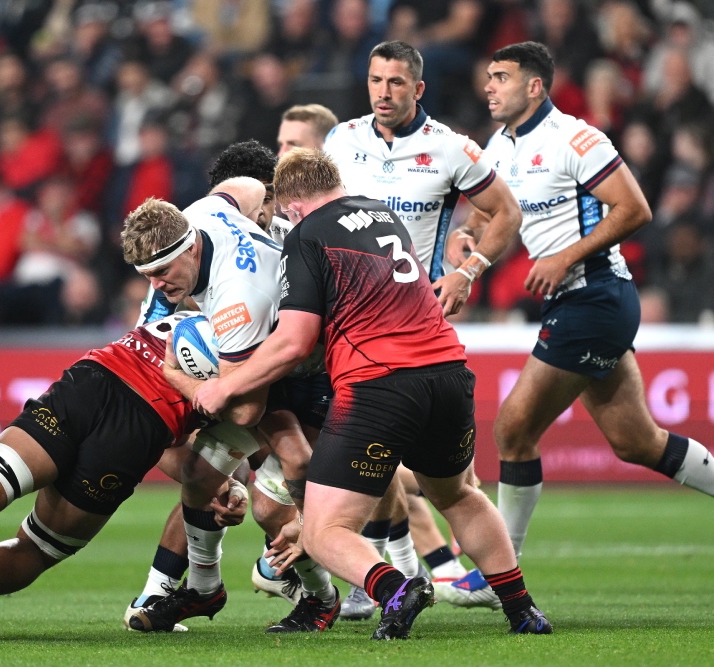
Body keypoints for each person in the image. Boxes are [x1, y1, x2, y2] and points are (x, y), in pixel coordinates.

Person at [194, 148, 552, 639]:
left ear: (293, 206)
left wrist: (228, 384)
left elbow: (295, 341)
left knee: (323, 532)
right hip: (448, 375)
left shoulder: (306, 234)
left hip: (380, 386)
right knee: (461, 496)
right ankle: (523, 611)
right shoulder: (383, 212)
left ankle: (393, 588)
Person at [444, 41, 714, 597]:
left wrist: (565, 255)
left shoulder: (578, 138)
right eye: (488, 76)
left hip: (594, 297)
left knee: (513, 430)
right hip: (576, 303)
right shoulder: (501, 145)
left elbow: (634, 208)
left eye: (501, 77)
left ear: (535, 86)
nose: (489, 86)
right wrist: (467, 232)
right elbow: (495, 210)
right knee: (638, 442)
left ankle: (499, 575)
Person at [0, 311, 249, 640]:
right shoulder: (255, 349)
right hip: (142, 426)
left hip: (91, 381)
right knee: (38, 548)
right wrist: (225, 481)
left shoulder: (189, 291)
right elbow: (192, 452)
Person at [323, 39, 524, 615]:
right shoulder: (343, 140)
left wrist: (469, 269)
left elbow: (505, 212)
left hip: (417, 329)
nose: (383, 93)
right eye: (375, 81)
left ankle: (465, 578)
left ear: (418, 88)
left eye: (395, 83)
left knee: (445, 480)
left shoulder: (452, 149)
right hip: (350, 329)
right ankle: (396, 576)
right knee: (372, 461)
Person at [122, 182, 339, 634]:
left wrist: (180, 378)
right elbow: (240, 187)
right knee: (200, 476)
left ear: (190, 248)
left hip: (311, 378)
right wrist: (269, 197)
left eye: (163, 271)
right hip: (267, 364)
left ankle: (323, 598)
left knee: (270, 507)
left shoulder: (235, 298)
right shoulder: (201, 212)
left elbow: (244, 412)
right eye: (147, 275)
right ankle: (204, 588)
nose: (157, 286)